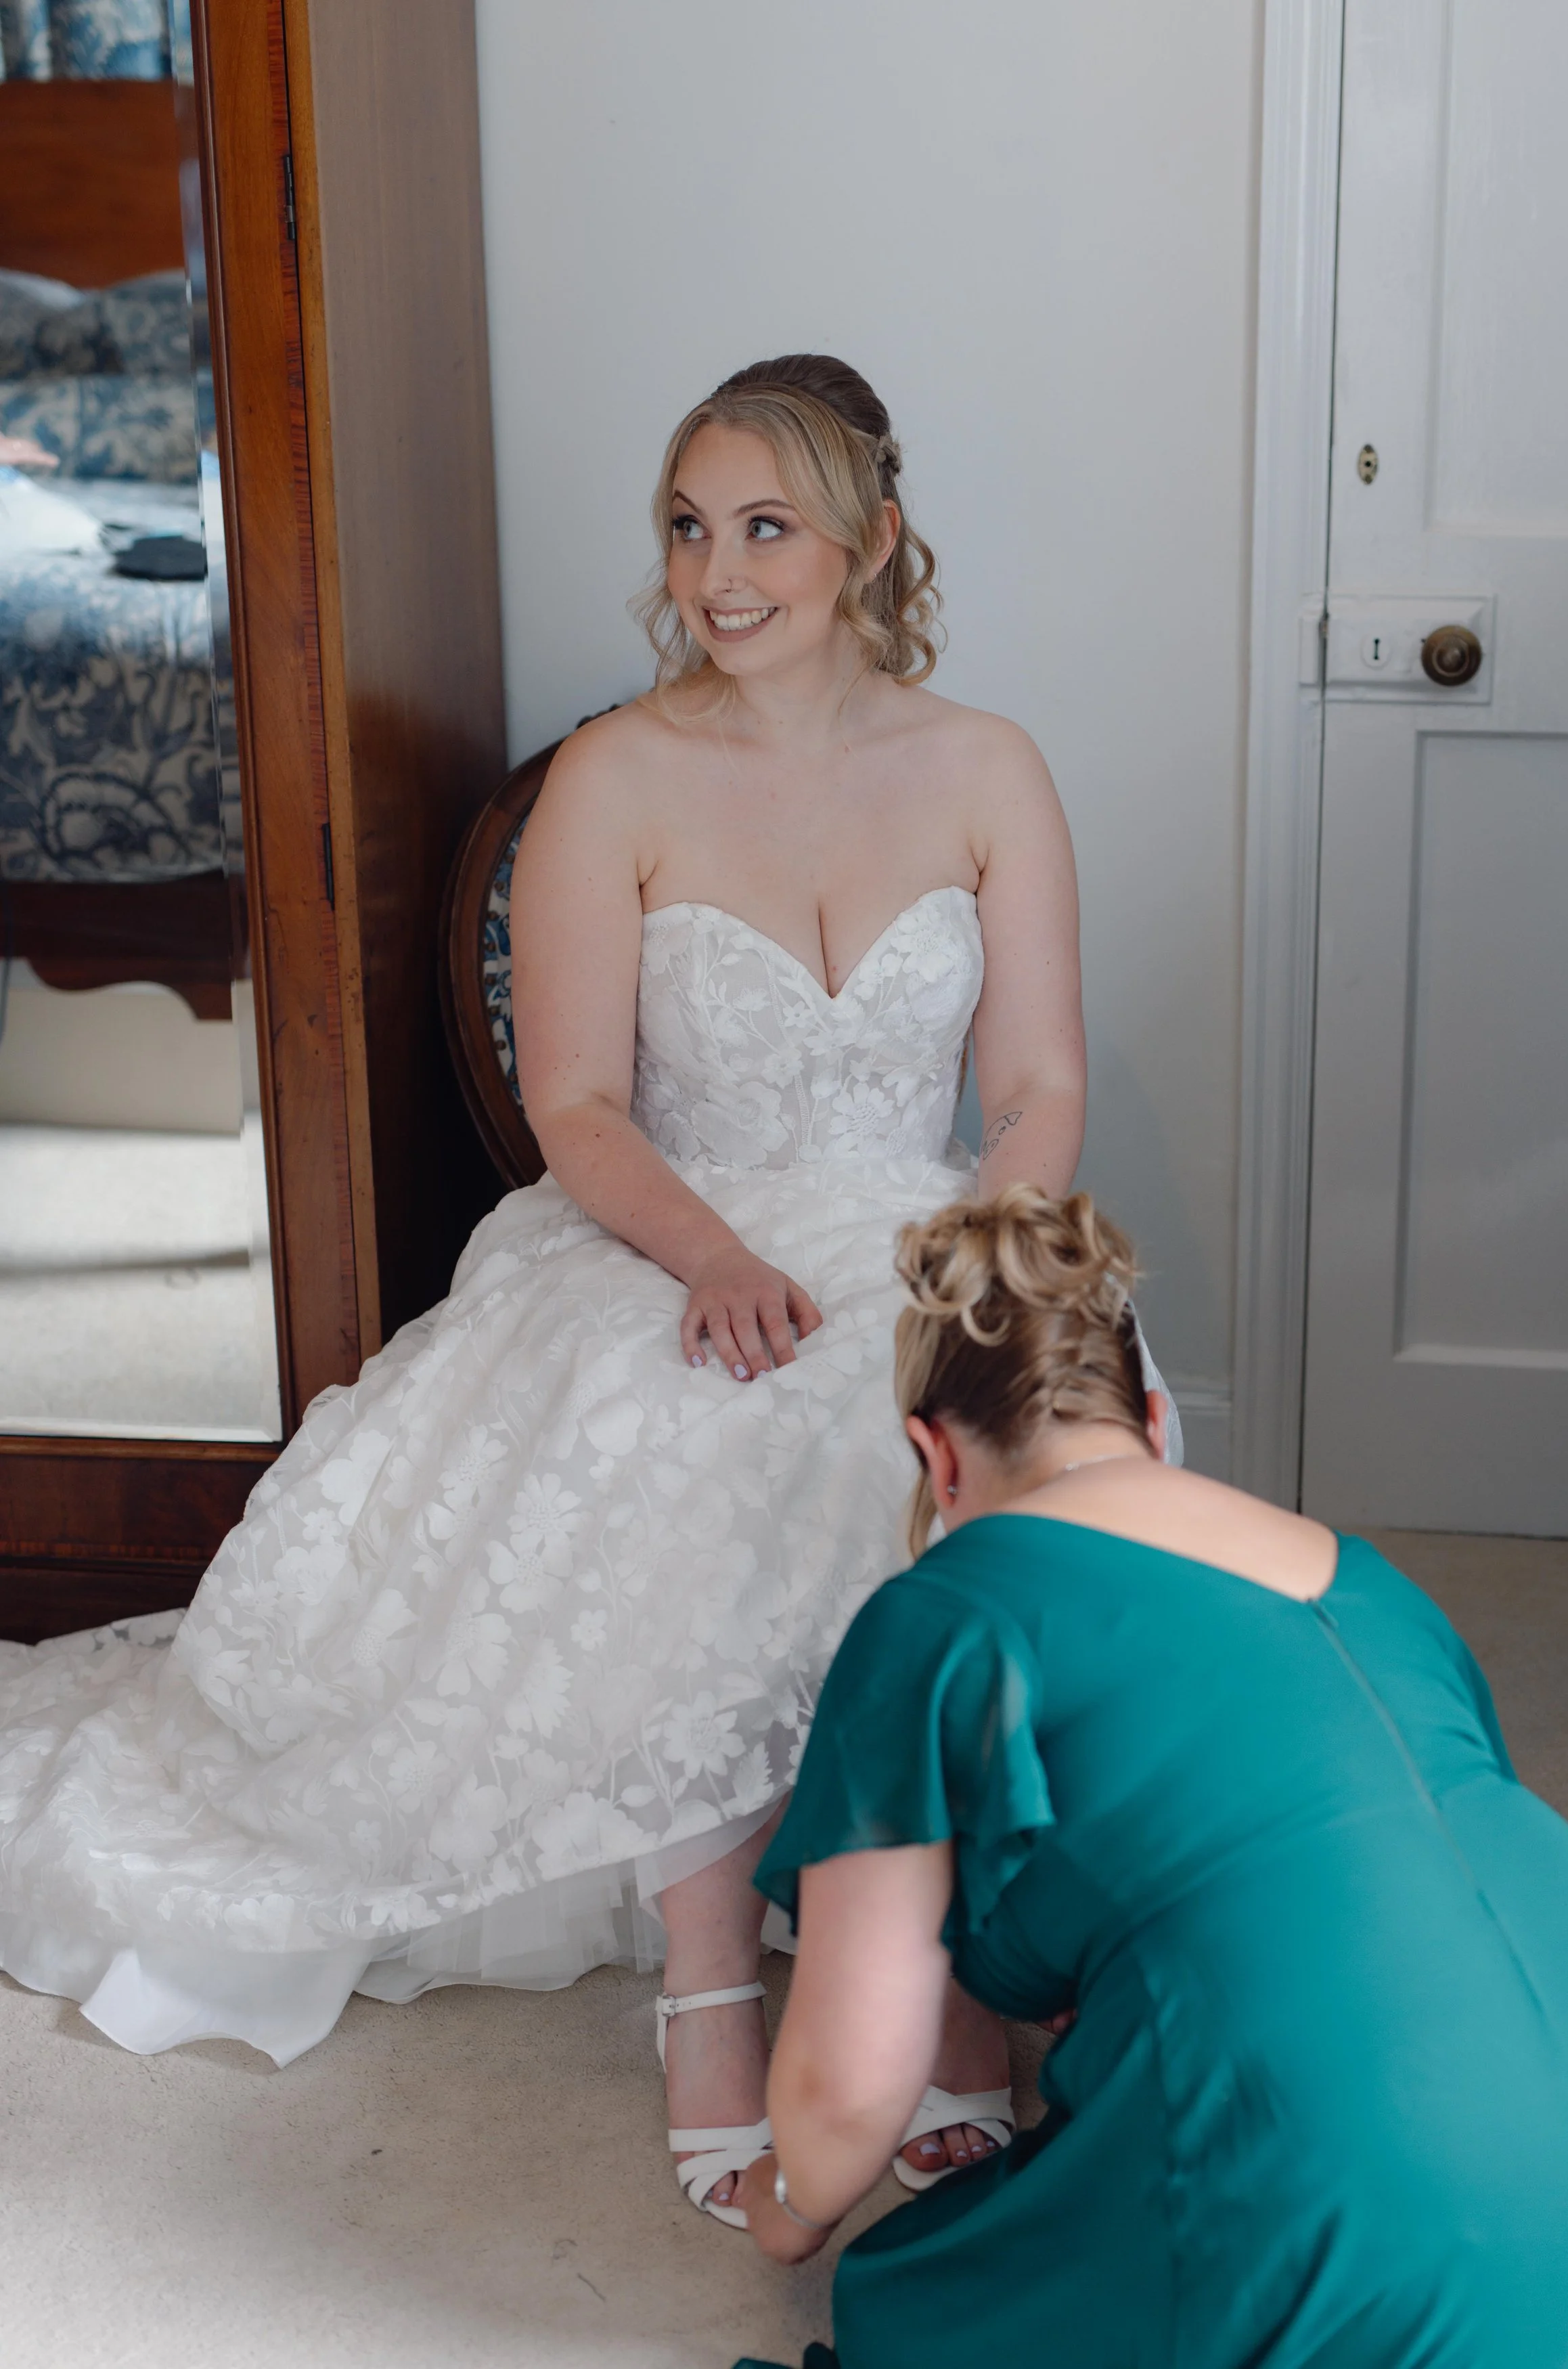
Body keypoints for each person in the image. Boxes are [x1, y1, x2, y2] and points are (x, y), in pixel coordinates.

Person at [0, 357, 1179, 2227]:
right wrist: (711, 1258)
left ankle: (949, 1962)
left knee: (994, 1455)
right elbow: (574, 1105)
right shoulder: (617, 773)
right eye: (689, 526)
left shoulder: (984, 766)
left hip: (930, 1230)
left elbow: (1034, 1084)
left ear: (870, 540)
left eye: (765, 527)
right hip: (657, 1224)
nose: (716, 572)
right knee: (706, 1423)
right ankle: (709, 1986)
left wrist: (970, 1270)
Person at [732, 1186, 1568, 2369]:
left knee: (930, 2301)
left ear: (937, 1457)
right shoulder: (1372, 1580)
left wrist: (789, 2208)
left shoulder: (944, 1614)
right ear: (1145, 1412)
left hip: (1385, 2227)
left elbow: (848, 2087)